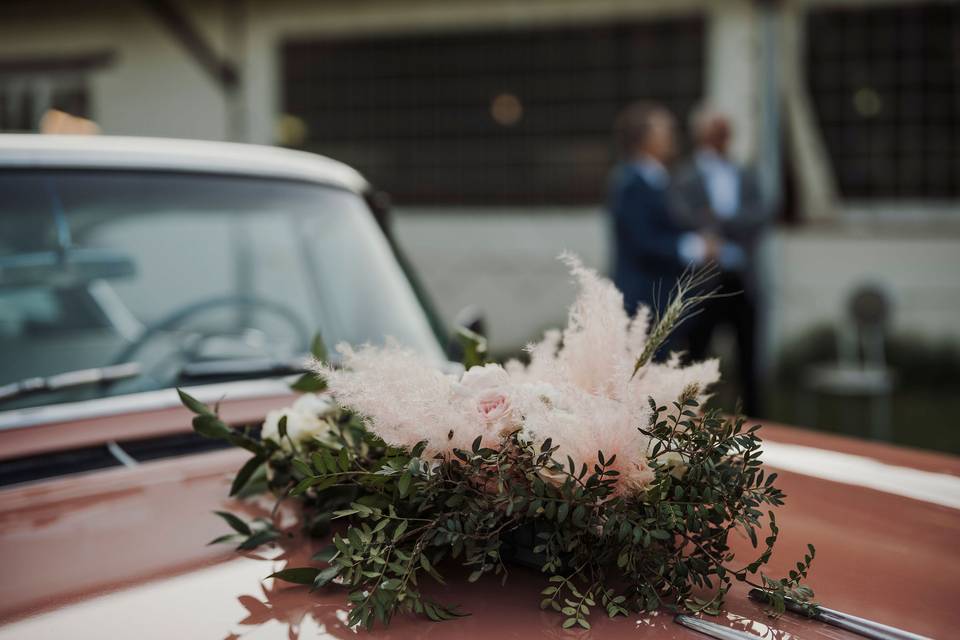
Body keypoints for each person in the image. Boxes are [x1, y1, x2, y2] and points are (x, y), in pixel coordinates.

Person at [670, 106, 771, 416]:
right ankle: (688, 421)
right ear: (701, 134)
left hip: (742, 277)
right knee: (696, 353)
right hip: (705, 277)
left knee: (748, 356)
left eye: (725, 131)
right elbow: (681, 217)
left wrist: (721, 221)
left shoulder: (745, 172)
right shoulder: (684, 176)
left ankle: (757, 424)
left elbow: (761, 215)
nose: (722, 138)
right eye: (715, 130)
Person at [608, 102, 718, 322]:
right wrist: (694, 247)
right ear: (643, 138)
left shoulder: (660, 177)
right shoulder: (631, 183)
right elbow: (642, 241)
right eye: (665, 130)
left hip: (663, 297)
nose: (672, 136)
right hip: (643, 300)